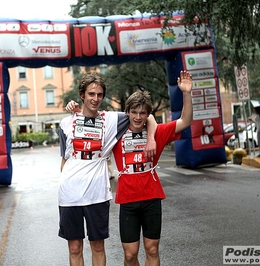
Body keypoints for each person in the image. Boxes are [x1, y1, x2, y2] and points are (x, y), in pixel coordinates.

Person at [58, 73, 157, 266]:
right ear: (82, 95)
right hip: (69, 194)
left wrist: (151, 138)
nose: (95, 99)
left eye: (100, 95)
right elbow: (64, 159)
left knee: (97, 246)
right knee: (75, 248)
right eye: (91, 94)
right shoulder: (66, 123)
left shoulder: (113, 120)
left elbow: (148, 115)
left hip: (97, 194)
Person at [111, 70, 193, 266]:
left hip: (151, 198)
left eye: (142, 113)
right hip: (127, 200)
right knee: (130, 254)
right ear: (127, 112)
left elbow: (186, 121)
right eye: (134, 112)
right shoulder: (116, 132)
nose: (138, 117)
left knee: (152, 249)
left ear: (148, 114)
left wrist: (186, 93)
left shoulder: (158, 132)